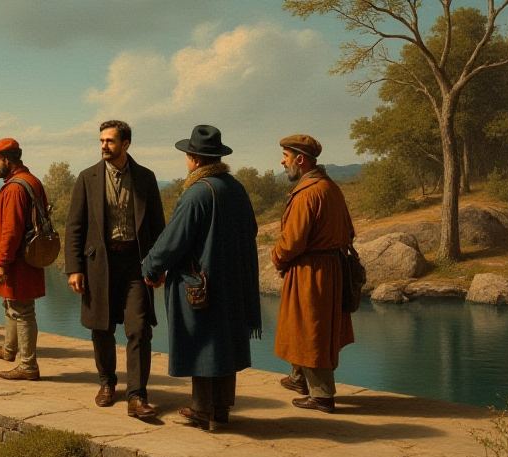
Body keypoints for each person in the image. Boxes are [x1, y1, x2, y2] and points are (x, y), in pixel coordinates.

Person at [141, 125, 261, 430]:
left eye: (187, 156)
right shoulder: (235, 187)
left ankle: (202, 409)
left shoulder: (197, 193)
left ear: (194, 159)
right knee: (223, 344)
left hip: (202, 284)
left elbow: (173, 240)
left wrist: (151, 267)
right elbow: (252, 231)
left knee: (204, 343)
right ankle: (220, 410)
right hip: (233, 282)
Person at [63, 120, 165, 419]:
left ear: (126, 144)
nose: (103, 145)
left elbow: (158, 226)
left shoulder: (145, 178)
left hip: (136, 263)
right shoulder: (87, 178)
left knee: (139, 329)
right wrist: (74, 268)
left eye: (109, 141)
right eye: (101, 140)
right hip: (99, 264)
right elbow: (74, 227)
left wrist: (159, 266)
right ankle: (107, 383)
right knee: (101, 328)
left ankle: (136, 396)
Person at [271, 134, 356, 414]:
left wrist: (278, 258)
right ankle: (298, 379)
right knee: (306, 324)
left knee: (311, 329)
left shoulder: (308, 193)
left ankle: (321, 395)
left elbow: (292, 241)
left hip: (311, 271)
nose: (282, 161)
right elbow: (349, 231)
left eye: (285, 156)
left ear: (300, 159)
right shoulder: (330, 187)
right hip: (330, 268)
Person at [0, 138, 48, 381]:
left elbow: (11, 231)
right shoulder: (31, 180)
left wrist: (1, 261)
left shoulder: (14, 188)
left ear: (8, 161)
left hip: (17, 259)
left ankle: (28, 365)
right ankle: (10, 349)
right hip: (28, 255)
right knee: (11, 304)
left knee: (22, 310)